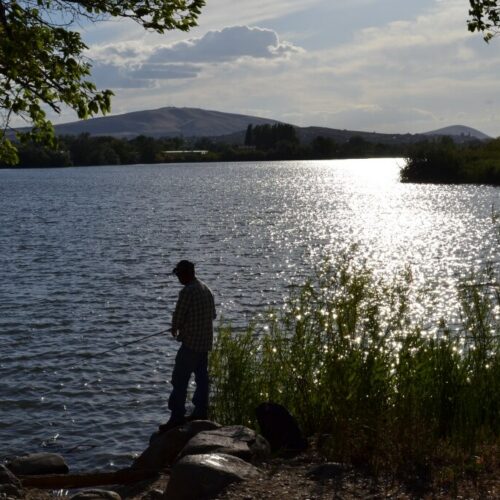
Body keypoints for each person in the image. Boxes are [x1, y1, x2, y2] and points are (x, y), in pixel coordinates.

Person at [161, 260, 216, 432]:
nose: (178, 278)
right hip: (205, 344)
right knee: (202, 380)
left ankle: (176, 417)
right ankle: (200, 412)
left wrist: (175, 328)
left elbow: (178, 317)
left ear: (186, 274)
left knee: (179, 380)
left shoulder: (187, 291)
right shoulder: (206, 289)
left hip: (191, 345)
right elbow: (212, 315)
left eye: (178, 275)